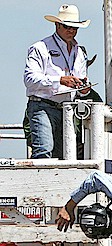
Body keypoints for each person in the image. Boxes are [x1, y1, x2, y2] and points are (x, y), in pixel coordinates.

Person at [24, 4, 92, 159]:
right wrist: (60, 80)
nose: (71, 31)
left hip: (67, 109)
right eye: (67, 26)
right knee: (44, 150)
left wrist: (83, 88)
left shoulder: (79, 52)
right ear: (57, 25)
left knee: (64, 154)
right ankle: (41, 183)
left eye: (74, 27)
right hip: (43, 105)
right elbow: (29, 80)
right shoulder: (40, 48)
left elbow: (81, 85)